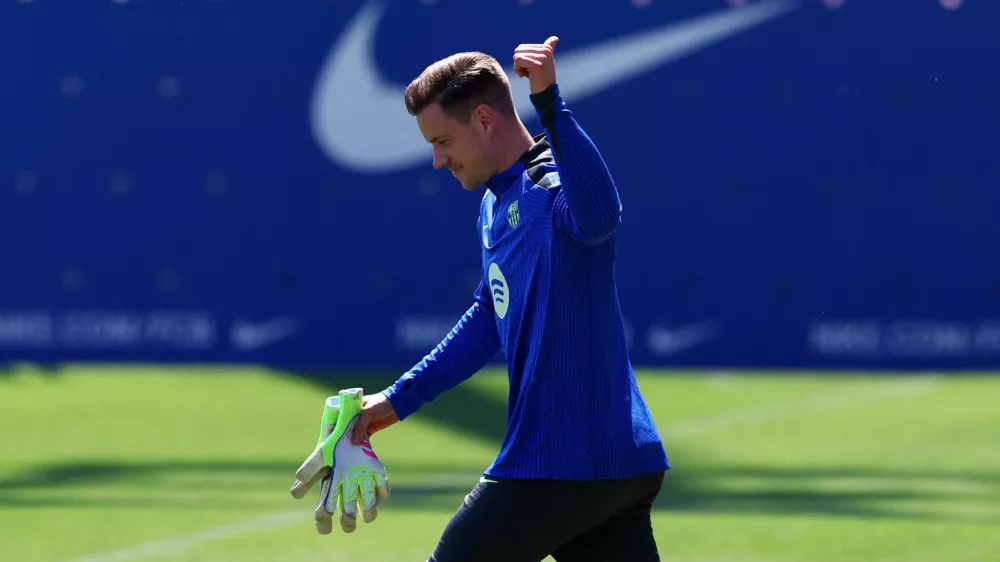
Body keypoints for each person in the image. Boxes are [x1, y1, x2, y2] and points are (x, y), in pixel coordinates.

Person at [350, 37, 670, 562]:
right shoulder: (494, 204)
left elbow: (600, 217)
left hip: (559, 463)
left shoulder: (549, 182)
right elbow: (487, 318)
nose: (437, 160)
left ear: (483, 119)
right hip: (612, 467)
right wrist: (397, 400)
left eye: (443, 141)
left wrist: (551, 104)